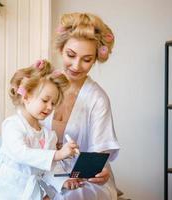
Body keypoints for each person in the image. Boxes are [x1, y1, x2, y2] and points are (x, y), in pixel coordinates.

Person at [42, 13, 120, 199]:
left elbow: (97, 155)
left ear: (95, 59)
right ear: (61, 49)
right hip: (42, 171)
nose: (76, 66)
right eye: (71, 55)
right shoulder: (43, 86)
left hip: (81, 180)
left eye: (86, 59)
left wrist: (100, 172)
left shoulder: (97, 99)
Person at [0, 60, 82, 200]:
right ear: (26, 96)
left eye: (53, 103)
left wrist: (64, 181)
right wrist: (57, 154)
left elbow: (50, 168)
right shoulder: (13, 125)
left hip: (30, 192)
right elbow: (20, 153)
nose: (49, 107)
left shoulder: (48, 135)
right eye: (45, 100)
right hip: (6, 191)